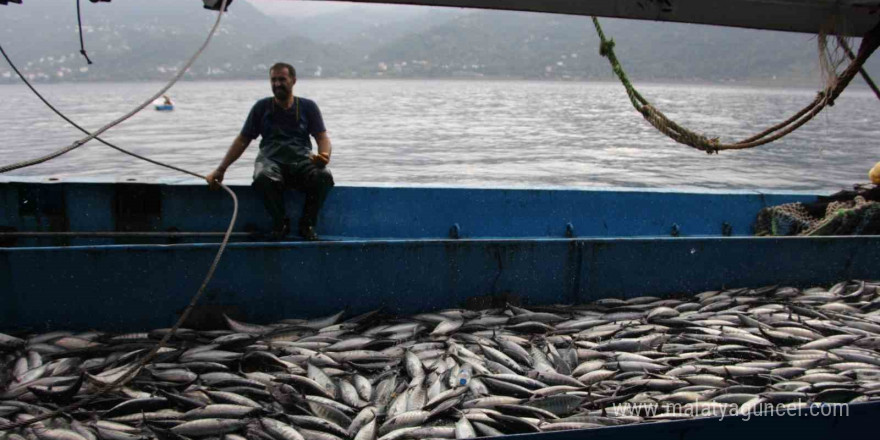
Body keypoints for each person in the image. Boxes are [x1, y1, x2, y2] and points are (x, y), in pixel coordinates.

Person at [205, 62, 334, 241]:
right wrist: (221, 169)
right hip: (271, 161)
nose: (277, 84)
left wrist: (324, 156)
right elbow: (243, 140)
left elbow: (322, 137)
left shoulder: (308, 106)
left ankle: (308, 224)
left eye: (282, 79)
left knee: (324, 176)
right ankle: (280, 223)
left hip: (301, 160)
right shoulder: (261, 107)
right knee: (262, 177)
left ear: (293, 80)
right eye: (273, 80)